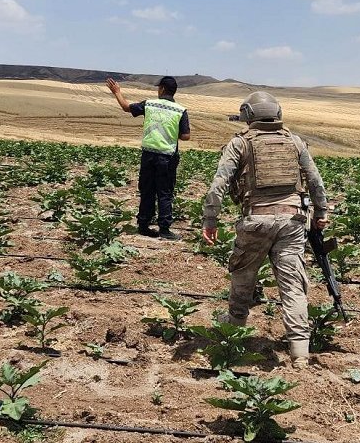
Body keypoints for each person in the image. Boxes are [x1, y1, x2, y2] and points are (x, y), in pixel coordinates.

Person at [201, 91, 329, 368]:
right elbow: (315, 181)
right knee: (293, 285)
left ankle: (234, 328)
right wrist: (321, 213)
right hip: (293, 222)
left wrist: (210, 220)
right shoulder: (294, 142)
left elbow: (218, 186)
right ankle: (299, 352)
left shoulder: (240, 144)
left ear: (247, 114)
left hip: (255, 220)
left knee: (243, 278)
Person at [106, 75, 190, 239]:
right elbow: (186, 136)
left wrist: (116, 91)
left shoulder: (149, 104)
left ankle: (143, 225)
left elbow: (125, 107)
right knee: (165, 193)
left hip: (149, 155)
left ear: (162, 89)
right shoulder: (180, 110)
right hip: (167, 157)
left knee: (147, 190)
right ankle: (164, 230)